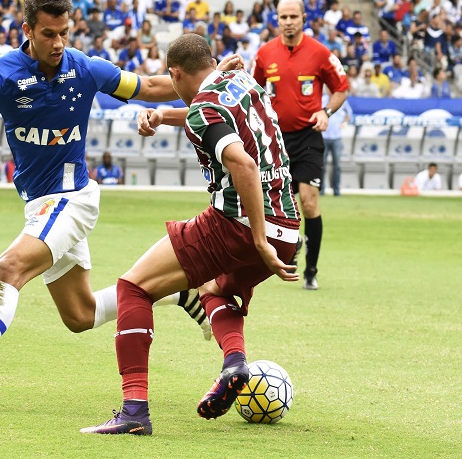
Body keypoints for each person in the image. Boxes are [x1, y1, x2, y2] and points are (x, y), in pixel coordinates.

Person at [0, 0, 218, 409]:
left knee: (9, 267)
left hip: (73, 199)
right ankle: (181, 292)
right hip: (40, 206)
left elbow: (150, 85)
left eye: (64, 33)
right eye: (49, 34)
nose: (58, 43)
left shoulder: (85, 68)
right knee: (80, 315)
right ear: (27, 30)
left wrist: (215, 79)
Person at [81, 34, 300, 436]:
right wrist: (164, 115)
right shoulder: (242, 79)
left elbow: (243, 165)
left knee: (133, 288)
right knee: (213, 289)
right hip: (287, 227)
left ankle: (134, 412)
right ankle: (234, 363)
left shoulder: (202, 108)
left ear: (176, 73)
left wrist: (256, 239)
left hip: (238, 225)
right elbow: (211, 112)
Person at [252, 0, 349, 291]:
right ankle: (292, 244)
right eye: (283, 17)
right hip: (275, 140)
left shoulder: (320, 53)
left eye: (293, 17)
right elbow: (253, 91)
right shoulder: (264, 54)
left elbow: (341, 88)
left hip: (308, 136)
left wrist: (326, 111)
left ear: (304, 19)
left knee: (309, 201)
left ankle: (311, 270)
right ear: (277, 20)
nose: (288, 22)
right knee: (282, 206)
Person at [320, 90, 351, 197]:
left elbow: (349, 113)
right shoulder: (322, 100)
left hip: (336, 136)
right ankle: (321, 189)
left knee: (337, 165)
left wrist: (344, 123)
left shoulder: (341, 100)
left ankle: (336, 189)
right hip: (324, 136)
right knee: (322, 164)